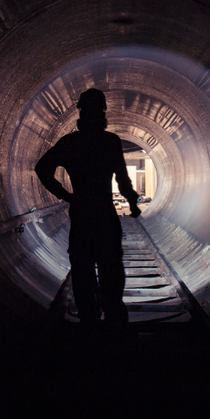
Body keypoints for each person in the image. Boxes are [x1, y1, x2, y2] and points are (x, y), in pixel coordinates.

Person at [35, 88, 141, 329]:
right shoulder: (110, 142)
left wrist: (65, 195)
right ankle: (114, 323)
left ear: (80, 112)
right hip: (105, 215)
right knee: (111, 270)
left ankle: (89, 324)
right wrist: (132, 203)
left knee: (82, 271)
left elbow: (42, 168)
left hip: (82, 215)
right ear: (103, 112)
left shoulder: (70, 143)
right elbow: (123, 180)